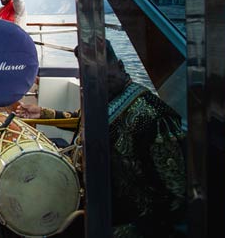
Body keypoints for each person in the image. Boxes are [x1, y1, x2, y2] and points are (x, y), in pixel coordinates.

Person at [16, 40, 186, 238]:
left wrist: (134, 229)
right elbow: (82, 121)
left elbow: (178, 193)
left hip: (133, 223)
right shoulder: (103, 101)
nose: (95, 80)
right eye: (88, 74)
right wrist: (44, 113)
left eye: (101, 71)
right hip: (98, 206)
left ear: (120, 67)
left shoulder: (153, 116)